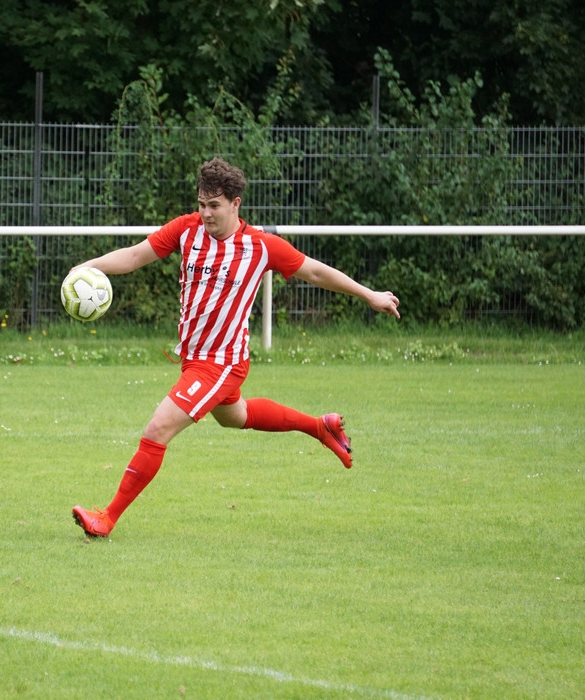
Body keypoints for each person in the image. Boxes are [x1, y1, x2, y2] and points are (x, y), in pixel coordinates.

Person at [71, 158, 401, 538]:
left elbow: (314, 271)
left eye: (214, 205)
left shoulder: (260, 246)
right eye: (201, 204)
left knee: (158, 427)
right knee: (236, 416)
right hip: (195, 359)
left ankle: (107, 518)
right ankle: (320, 427)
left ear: (235, 203)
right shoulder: (186, 230)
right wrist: (86, 268)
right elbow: (133, 256)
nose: (206, 213)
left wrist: (368, 294)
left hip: (221, 364)